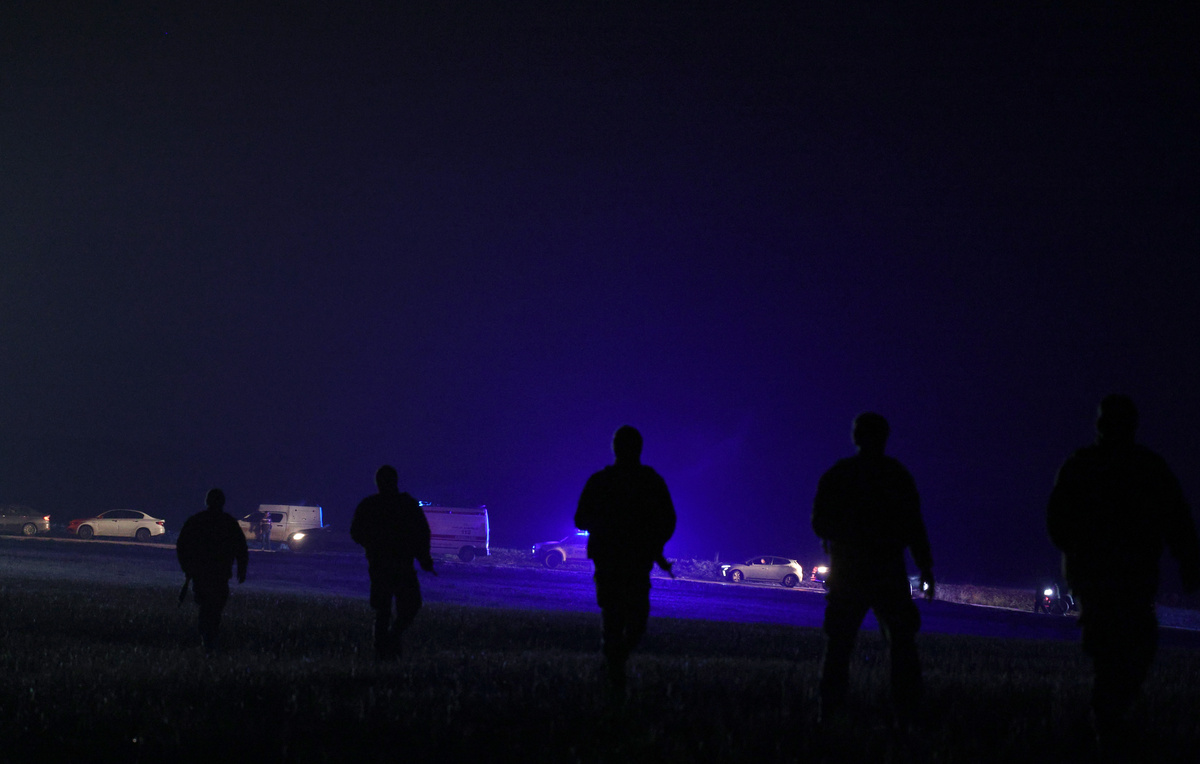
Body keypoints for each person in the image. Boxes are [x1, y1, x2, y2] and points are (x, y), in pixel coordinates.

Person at [1047, 394, 1200, 751]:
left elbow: (1177, 520)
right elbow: (1178, 520)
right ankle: (1107, 726)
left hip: (1117, 577)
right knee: (1119, 650)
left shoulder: (1091, 466)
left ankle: (1107, 722)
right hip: (1113, 577)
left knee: (1126, 649)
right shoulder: (1141, 467)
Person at [811, 412, 934, 733]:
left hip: (849, 571)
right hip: (887, 572)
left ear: (856, 436)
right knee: (901, 644)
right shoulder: (896, 476)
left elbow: (819, 522)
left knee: (839, 645)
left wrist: (841, 536)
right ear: (884, 437)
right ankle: (906, 716)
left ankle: (830, 713)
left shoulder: (840, 475)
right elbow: (914, 527)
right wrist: (926, 568)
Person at [574, 425, 676, 695]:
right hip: (634, 561)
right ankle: (614, 671)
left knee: (616, 618)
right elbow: (668, 520)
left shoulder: (601, 481)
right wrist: (654, 546)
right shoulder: (650, 481)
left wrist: (605, 526)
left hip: (610, 560)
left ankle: (613, 664)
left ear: (614, 448)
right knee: (633, 619)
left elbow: (580, 518)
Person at [350, 465, 435, 661]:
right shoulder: (407, 505)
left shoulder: (370, 505)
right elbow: (422, 533)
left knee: (384, 609)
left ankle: (384, 646)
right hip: (401, 564)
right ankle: (391, 641)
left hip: (380, 564)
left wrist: (372, 545)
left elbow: (356, 532)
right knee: (408, 605)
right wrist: (424, 559)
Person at [176, 488, 249, 651]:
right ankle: (210, 638)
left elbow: (182, 545)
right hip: (220, 573)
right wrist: (241, 569)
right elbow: (241, 548)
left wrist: (187, 567)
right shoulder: (228, 522)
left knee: (206, 606)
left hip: (201, 573)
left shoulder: (197, 520)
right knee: (214, 607)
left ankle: (207, 638)